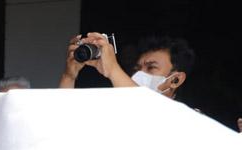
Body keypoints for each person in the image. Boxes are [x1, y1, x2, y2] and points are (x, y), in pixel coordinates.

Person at [60, 33, 195, 100]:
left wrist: (112, 69)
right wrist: (69, 76)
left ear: (176, 80)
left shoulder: (187, 119)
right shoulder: (118, 108)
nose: (138, 74)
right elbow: (62, 122)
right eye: (137, 69)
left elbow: (146, 108)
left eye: (151, 68)